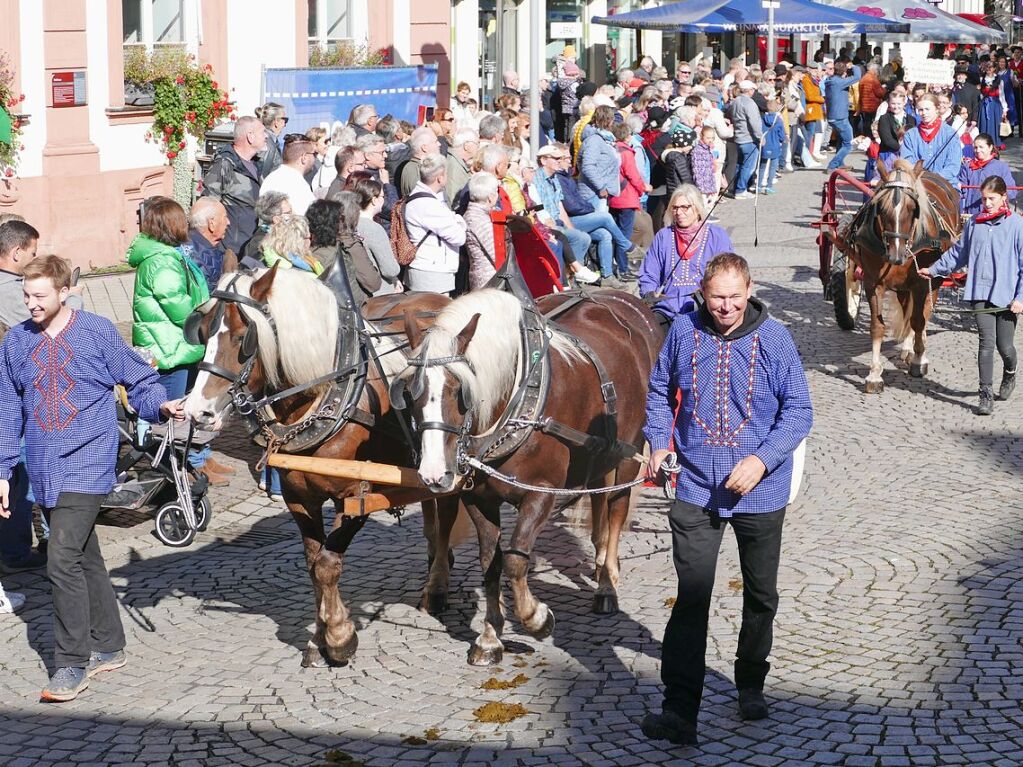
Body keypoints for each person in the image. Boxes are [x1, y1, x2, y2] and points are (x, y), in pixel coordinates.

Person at [641, 252, 813, 745]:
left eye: (735, 297)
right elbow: (658, 391)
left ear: (749, 289)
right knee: (692, 598)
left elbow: (799, 411)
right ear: (703, 293)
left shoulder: (774, 338)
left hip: (762, 492)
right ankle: (679, 711)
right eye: (718, 297)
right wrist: (658, 441)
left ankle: (751, 680)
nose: (726, 307)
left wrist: (761, 460)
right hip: (695, 486)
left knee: (761, 595)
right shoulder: (682, 331)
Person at [0, 255, 185, 702]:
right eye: (26, 296)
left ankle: (71, 663)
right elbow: (7, 409)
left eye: (40, 296)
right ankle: (111, 644)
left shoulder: (97, 332)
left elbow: (139, 380)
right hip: (44, 467)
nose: (32, 305)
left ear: (65, 292)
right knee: (84, 556)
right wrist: (3, 471)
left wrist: (159, 406)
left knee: (60, 556)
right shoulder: (15, 344)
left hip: (88, 461)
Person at [919, 176, 1023, 416]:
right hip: (979, 291)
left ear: (1003, 197)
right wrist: (934, 269)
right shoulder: (975, 224)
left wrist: (1020, 297)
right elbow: (958, 254)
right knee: (986, 343)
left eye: (992, 199)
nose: (986, 203)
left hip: (1007, 296)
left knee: (1004, 346)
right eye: (984, 198)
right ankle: (985, 394)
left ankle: (1010, 372)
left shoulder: (1017, 225)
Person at [0, 220, 50, 573]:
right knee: (18, 472)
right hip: (12, 397)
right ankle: (15, 553)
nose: (33, 259)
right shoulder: (9, 290)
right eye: (32, 254)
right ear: (17, 252)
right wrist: (69, 295)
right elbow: (44, 324)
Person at [638, 185, 733, 329]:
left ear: (697, 208)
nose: (679, 212)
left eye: (685, 207)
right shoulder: (663, 236)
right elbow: (649, 272)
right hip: (667, 310)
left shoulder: (717, 236)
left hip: (705, 308)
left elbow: (727, 273)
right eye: (675, 208)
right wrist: (649, 293)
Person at [403, 153, 467, 294]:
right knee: (437, 314)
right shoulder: (429, 205)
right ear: (440, 178)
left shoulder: (421, 197)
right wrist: (459, 221)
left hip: (428, 268)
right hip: (432, 272)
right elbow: (459, 238)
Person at [201, 115, 266, 253]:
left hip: (250, 245)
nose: (266, 136)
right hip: (230, 249)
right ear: (250, 136)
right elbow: (208, 206)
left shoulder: (255, 164)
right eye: (262, 132)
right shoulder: (225, 164)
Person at [900, 93, 963, 188]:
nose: (924, 113)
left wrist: (936, 178)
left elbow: (953, 165)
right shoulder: (910, 135)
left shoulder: (950, 133)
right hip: (917, 183)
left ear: (936, 109)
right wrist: (920, 177)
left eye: (927, 109)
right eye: (921, 110)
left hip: (945, 184)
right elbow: (907, 161)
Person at [351, 177, 402, 294]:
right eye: (382, 197)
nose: (383, 200)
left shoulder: (350, 224)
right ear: (374, 200)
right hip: (380, 293)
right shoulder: (374, 229)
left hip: (358, 290)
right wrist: (395, 277)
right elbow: (390, 269)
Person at [334, 191, 383, 302]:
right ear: (353, 214)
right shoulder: (350, 244)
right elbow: (373, 283)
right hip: (354, 306)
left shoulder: (321, 236)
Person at [958, 133, 1017, 215]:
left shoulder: (1001, 167)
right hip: (972, 213)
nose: (977, 150)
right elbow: (961, 189)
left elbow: (1012, 192)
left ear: (990, 147)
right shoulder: (967, 167)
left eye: (981, 147)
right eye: (975, 147)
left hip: (995, 213)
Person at [576, 105, 621, 211]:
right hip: (594, 193)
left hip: (600, 192)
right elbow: (587, 166)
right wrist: (601, 186)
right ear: (609, 121)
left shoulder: (605, 139)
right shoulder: (594, 140)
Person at [184, 198, 231, 293]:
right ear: (211, 223)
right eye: (225, 217)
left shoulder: (209, 248)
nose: (228, 222)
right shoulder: (195, 259)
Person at [463, 171, 501, 290]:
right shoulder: (480, 220)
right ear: (490, 197)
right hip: (489, 282)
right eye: (496, 191)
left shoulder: (474, 214)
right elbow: (497, 254)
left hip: (483, 279)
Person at [259, 137, 317, 215]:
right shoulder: (299, 186)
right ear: (304, 158)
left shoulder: (270, 178)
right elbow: (307, 221)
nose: (315, 158)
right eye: (314, 154)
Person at [824, 61, 862, 171]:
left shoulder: (829, 81)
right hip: (840, 117)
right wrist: (853, 66)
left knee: (841, 140)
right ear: (844, 72)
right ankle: (833, 164)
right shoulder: (839, 82)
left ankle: (840, 163)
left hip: (832, 116)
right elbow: (857, 76)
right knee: (848, 143)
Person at [240, 192, 291, 269]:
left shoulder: (280, 236)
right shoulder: (259, 243)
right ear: (276, 219)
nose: (293, 215)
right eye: (288, 213)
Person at [730, 81, 763, 199]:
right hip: (749, 138)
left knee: (739, 165)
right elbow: (754, 121)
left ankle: (735, 188)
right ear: (749, 90)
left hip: (738, 137)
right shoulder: (749, 103)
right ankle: (740, 189)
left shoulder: (735, 101)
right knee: (748, 166)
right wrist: (760, 136)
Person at [399, 127, 442, 198]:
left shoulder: (422, 166)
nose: (439, 144)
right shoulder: (414, 170)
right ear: (424, 148)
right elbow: (423, 198)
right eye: (435, 141)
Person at [254, 102, 288, 178]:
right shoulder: (267, 144)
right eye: (285, 119)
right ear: (276, 122)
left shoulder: (270, 141)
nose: (285, 124)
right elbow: (261, 176)